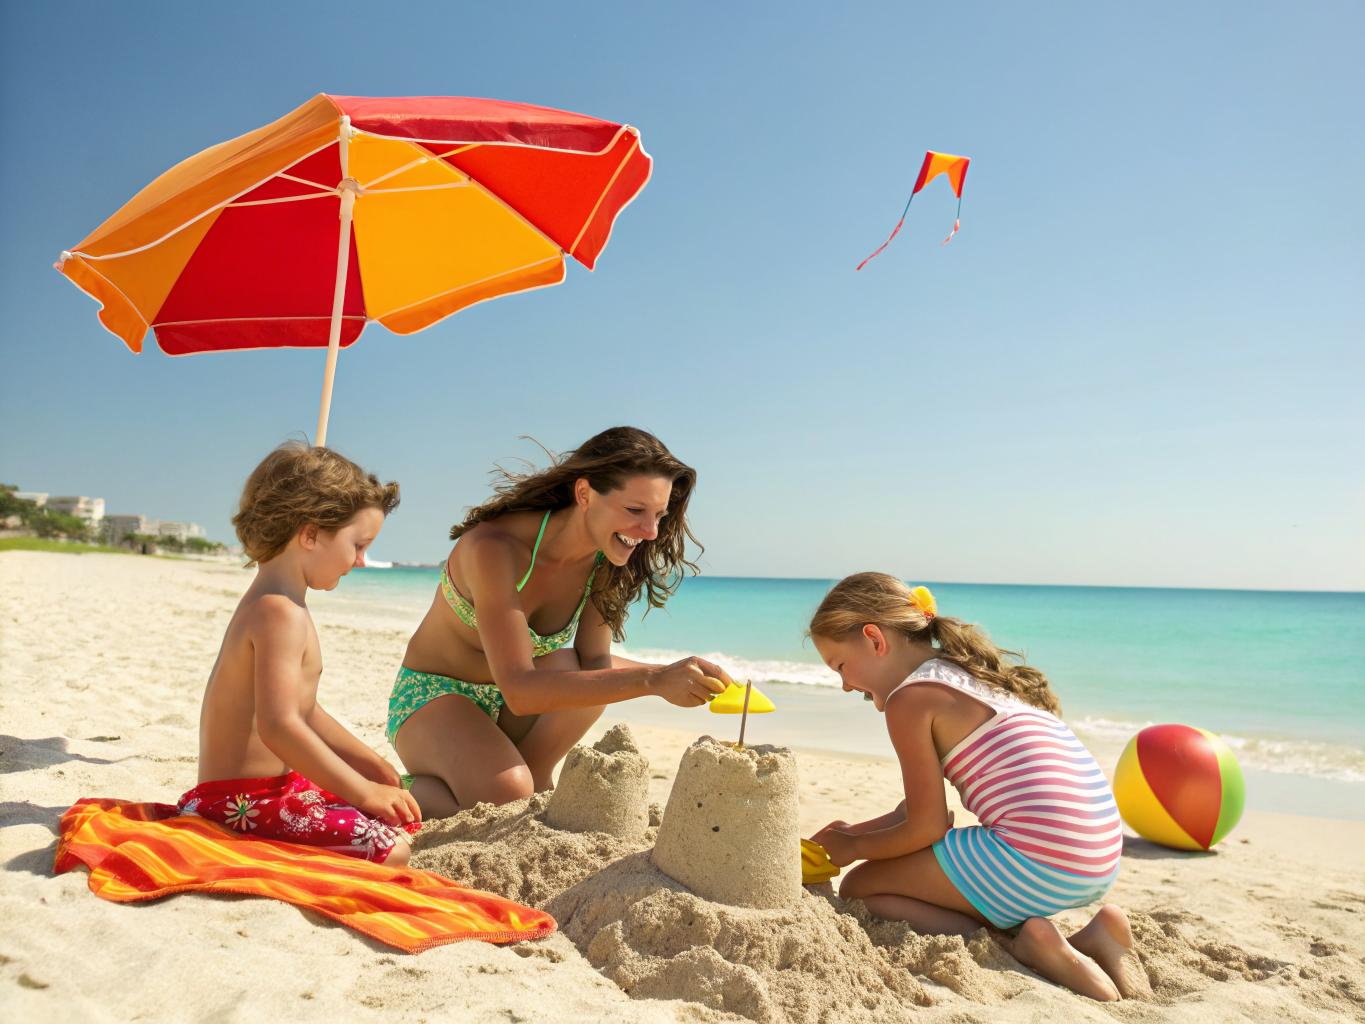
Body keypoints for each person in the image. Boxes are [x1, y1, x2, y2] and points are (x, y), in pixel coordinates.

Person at [807, 573, 1150, 1002]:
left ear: (875, 640)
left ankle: (1020, 947)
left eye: (840, 666)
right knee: (914, 868)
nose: (844, 684)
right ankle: (1095, 938)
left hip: (1039, 857)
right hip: (1098, 854)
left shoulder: (909, 701)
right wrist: (851, 834)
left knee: (862, 888)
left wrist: (853, 850)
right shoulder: (968, 673)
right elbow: (921, 817)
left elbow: (928, 828)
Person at [390, 427, 732, 818]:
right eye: (635, 511)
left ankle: (534, 777)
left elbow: (596, 665)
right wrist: (653, 680)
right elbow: (519, 688)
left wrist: (683, 674)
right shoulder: (494, 549)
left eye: (659, 515)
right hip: (435, 699)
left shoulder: (606, 560)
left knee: (581, 668)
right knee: (507, 793)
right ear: (584, 494)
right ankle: (400, 788)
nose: (650, 532)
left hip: (514, 706)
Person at [178, 442, 421, 866]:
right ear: (310, 534)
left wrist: (372, 764)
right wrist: (362, 790)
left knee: (394, 816)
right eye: (357, 545)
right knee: (393, 849)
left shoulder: (282, 603)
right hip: (235, 805)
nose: (361, 562)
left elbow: (304, 710)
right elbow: (279, 727)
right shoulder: (279, 613)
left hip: (270, 789)